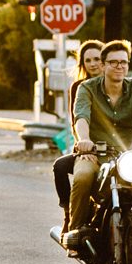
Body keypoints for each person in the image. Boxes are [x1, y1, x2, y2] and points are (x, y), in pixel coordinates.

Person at [63, 39, 132, 255]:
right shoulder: (87, 88)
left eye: (123, 62)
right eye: (114, 62)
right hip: (93, 154)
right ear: (104, 65)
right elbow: (81, 116)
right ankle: (75, 232)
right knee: (83, 176)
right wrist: (84, 141)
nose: (119, 67)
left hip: (125, 156)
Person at [54, 41, 103, 230]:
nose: (92, 64)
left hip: (113, 149)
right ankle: (68, 213)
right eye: (87, 60)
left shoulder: (116, 85)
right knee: (59, 166)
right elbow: (76, 120)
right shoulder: (78, 87)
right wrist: (83, 144)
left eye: (97, 59)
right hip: (86, 146)